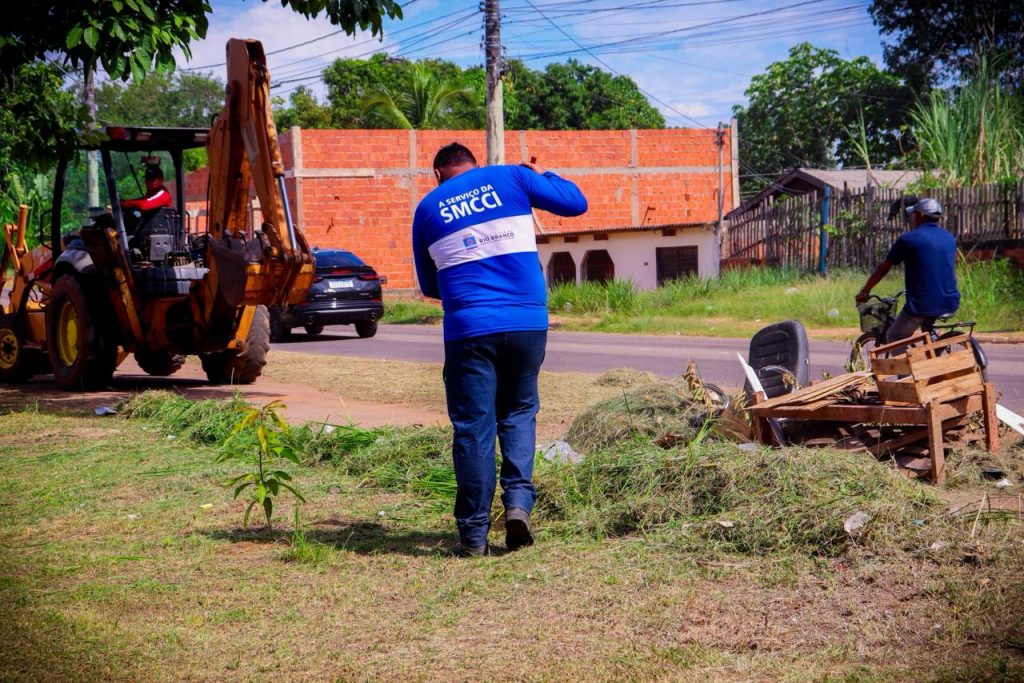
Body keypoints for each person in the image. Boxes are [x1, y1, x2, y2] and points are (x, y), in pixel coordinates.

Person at [412, 142, 588, 557]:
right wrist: (545, 174)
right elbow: (575, 204)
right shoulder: (512, 176)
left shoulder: (427, 207)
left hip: (470, 328)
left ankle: (474, 538)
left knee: (474, 429)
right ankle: (517, 506)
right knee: (519, 414)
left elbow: (428, 286)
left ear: (437, 174)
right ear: (475, 165)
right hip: (528, 322)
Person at [856, 197, 960, 343]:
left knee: (893, 337)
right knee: (927, 332)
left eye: (915, 214)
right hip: (951, 301)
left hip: (922, 304)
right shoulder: (949, 238)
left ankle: (911, 366)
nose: (913, 217)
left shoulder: (909, 239)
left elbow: (883, 268)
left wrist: (865, 290)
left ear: (921, 215)